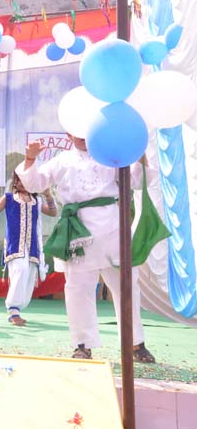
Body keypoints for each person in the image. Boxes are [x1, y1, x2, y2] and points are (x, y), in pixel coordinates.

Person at [16, 136, 156, 362]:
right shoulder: (61, 160)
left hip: (114, 227)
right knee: (78, 289)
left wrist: (139, 152)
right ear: (69, 134)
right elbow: (34, 184)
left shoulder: (111, 155)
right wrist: (30, 158)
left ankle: (135, 343)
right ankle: (83, 344)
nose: (81, 136)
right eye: (76, 132)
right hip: (77, 230)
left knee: (126, 286)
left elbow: (139, 181)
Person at [0, 171, 57, 326]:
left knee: (29, 275)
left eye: (26, 181)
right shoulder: (8, 198)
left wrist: (48, 195)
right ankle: (13, 310)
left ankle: (18, 308)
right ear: (15, 182)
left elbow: (53, 212)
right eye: (19, 180)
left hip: (32, 247)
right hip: (14, 245)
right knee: (20, 270)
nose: (22, 184)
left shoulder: (36, 201)